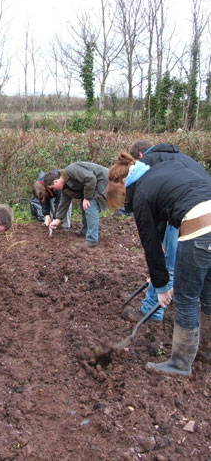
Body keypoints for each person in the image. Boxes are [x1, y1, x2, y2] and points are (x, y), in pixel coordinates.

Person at [107, 152, 211, 375]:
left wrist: (162, 287)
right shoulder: (163, 168)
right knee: (209, 295)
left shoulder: (141, 192)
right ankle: (207, 351)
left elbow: (151, 248)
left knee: (186, 298)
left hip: (199, 228)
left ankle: (180, 364)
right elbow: (172, 200)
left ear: (125, 181)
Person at [123, 140, 209, 323]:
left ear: (139, 156)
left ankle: (153, 311)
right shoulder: (181, 158)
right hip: (201, 208)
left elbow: (151, 240)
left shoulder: (146, 166)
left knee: (169, 262)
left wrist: (161, 284)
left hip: (190, 214)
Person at [43, 162, 108, 248]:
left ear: (56, 181)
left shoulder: (71, 170)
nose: (54, 190)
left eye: (53, 187)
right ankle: (85, 231)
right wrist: (57, 219)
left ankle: (92, 240)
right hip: (94, 184)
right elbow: (64, 203)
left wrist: (87, 198)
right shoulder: (65, 185)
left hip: (103, 180)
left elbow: (91, 178)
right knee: (83, 204)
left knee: (90, 205)